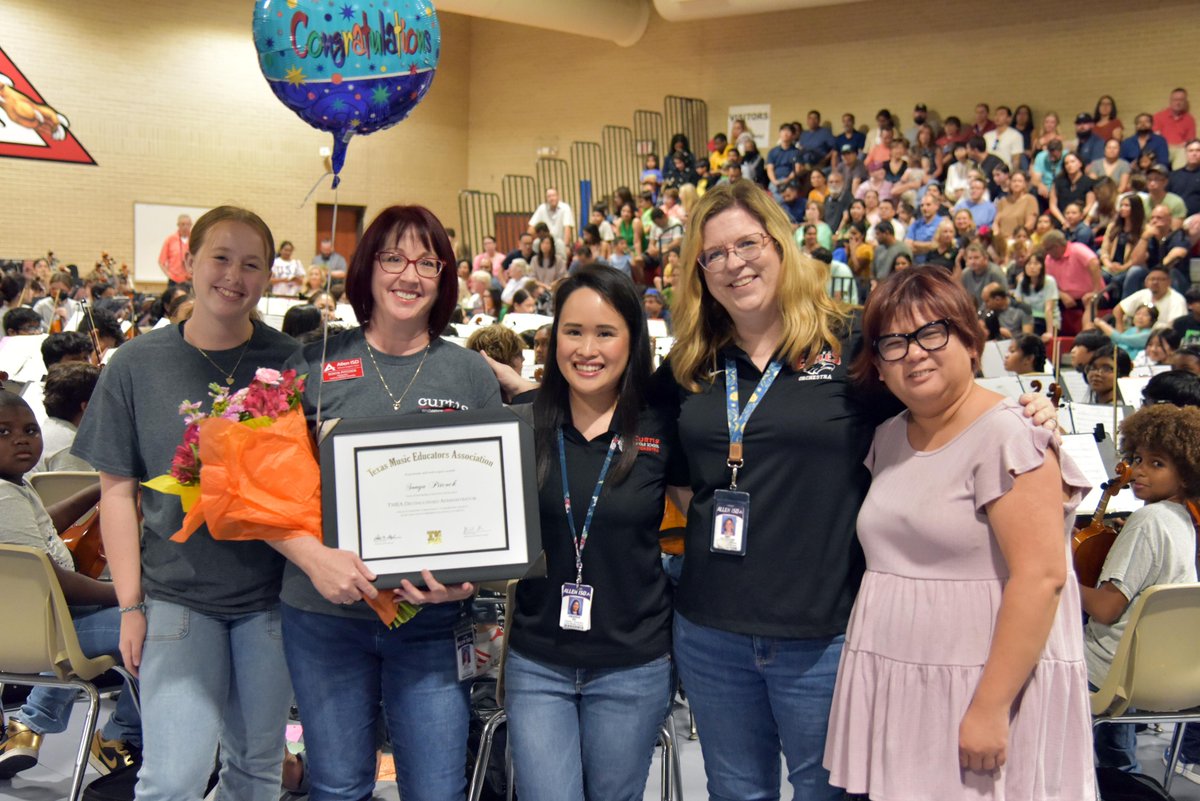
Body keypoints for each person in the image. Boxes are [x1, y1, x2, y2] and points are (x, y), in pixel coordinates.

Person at [655, 181, 1057, 800]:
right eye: (715, 254)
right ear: (699, 271)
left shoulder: (848, 344)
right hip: (711, 630)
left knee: (829, 791)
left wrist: (1021, 406)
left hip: (827, 632)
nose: (735, 263)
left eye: (748, 243)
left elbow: (936, 399)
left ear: (781, 245)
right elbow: (679, 479)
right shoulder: (688, 364)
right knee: (735, 790)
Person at [826, 267, 1094, 800]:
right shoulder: (888, 437)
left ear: (971, 342)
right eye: (894, 342)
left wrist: (991, 707)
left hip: (980, 684)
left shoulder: (1011, 434)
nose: (915, 353)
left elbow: (1041, 580)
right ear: (877, 365)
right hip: (902, 678)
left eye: (933, 332)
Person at [72, 206, 300, 801]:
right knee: (173, 776)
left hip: (272, 599)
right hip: (176, 597)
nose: (234, 275)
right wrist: (129, 605)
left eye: (252, 264)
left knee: (256, 771)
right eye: (220, 258)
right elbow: (117, 493)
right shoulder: (135, 365)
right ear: (188, 263)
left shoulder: (291, 363)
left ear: (269, 276)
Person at [275, 205, 501, 801]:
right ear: (368, 269)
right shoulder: (312, 362)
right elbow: (262, 490)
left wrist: (467, 580)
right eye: (394, 257)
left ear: (445, 278)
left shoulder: (468, 375)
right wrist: (311, 558)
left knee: (435, 787)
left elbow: (488, 504)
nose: (411, 275)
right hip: (324, 617)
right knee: (338, 784)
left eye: (429, 262)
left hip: (429, 620)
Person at [478, 265, 689, 801]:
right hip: (538, 661)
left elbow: (702, 519)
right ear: (554, 339)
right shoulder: (522, 421)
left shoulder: (661, 426)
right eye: (573, 332)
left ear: (632, 340)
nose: (587, 349)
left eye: (605, 332)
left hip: (632, 664)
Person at [0, 391, 141, 781]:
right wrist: (129, 594)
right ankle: (120, 739)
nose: (21, 439)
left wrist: (101, 485)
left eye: (29, 429)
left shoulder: (12, 487)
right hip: (49, 628)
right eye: (4, 432)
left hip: (29, 627)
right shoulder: (3, 496)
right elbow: (54, 581)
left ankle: (27, 727)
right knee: (160, 626)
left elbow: (44, 525)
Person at [1081, 403, 1200, 772]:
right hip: (1161, 672)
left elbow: (1105, 609)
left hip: (1109, 673)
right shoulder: (1183, 520)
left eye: (1157, 463)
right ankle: (1120, 772)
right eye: (1137, 458)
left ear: (1187, 474)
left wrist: (1061, 574)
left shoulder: (1147, 520)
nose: (1138, 471)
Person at [1014, 252, 1061, 338]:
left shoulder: (1049, 281)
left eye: (1036, 263)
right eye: (1029, 264)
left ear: (1042, 266)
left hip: (1046, 320)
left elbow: (1049, 309)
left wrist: (1049, 332)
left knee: (1028, 334)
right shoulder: (1022, 282)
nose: (1032, 267)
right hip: (1028, 319)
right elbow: (1018, 304)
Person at [158, 214, 191, 286]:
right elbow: (161, 262)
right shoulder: (170, 240)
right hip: (174, 281)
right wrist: (169, 275)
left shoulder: (194, 240)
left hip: (190, 280)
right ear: (178, 225)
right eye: (183, 224)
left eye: (188, 224)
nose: (185, 227)